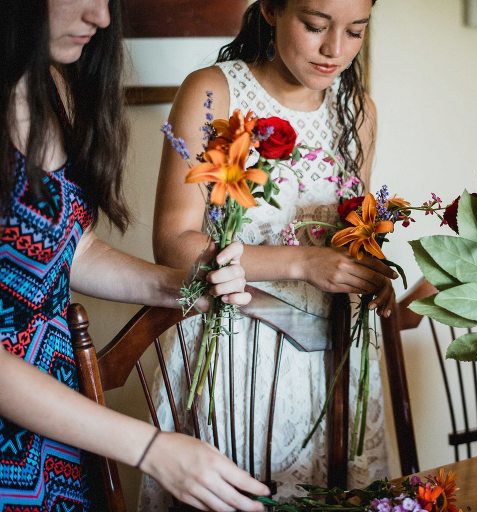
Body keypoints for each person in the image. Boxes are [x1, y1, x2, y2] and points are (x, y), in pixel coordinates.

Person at [0, 0, 272, 510]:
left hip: (60, 416)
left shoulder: (53, 85)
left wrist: (183, 286)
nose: (101, 19)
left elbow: (66, 248)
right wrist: (150, 448)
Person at [145, 0, 394, 505]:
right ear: (272, 10)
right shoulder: (214, 91)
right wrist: (302, 264)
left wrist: (366, 271)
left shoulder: (359, 112)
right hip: (231, 350)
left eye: (355, 31)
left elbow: (348, 234)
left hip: (331, 360)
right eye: (316, 26)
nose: (334, 50)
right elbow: (174, 244)